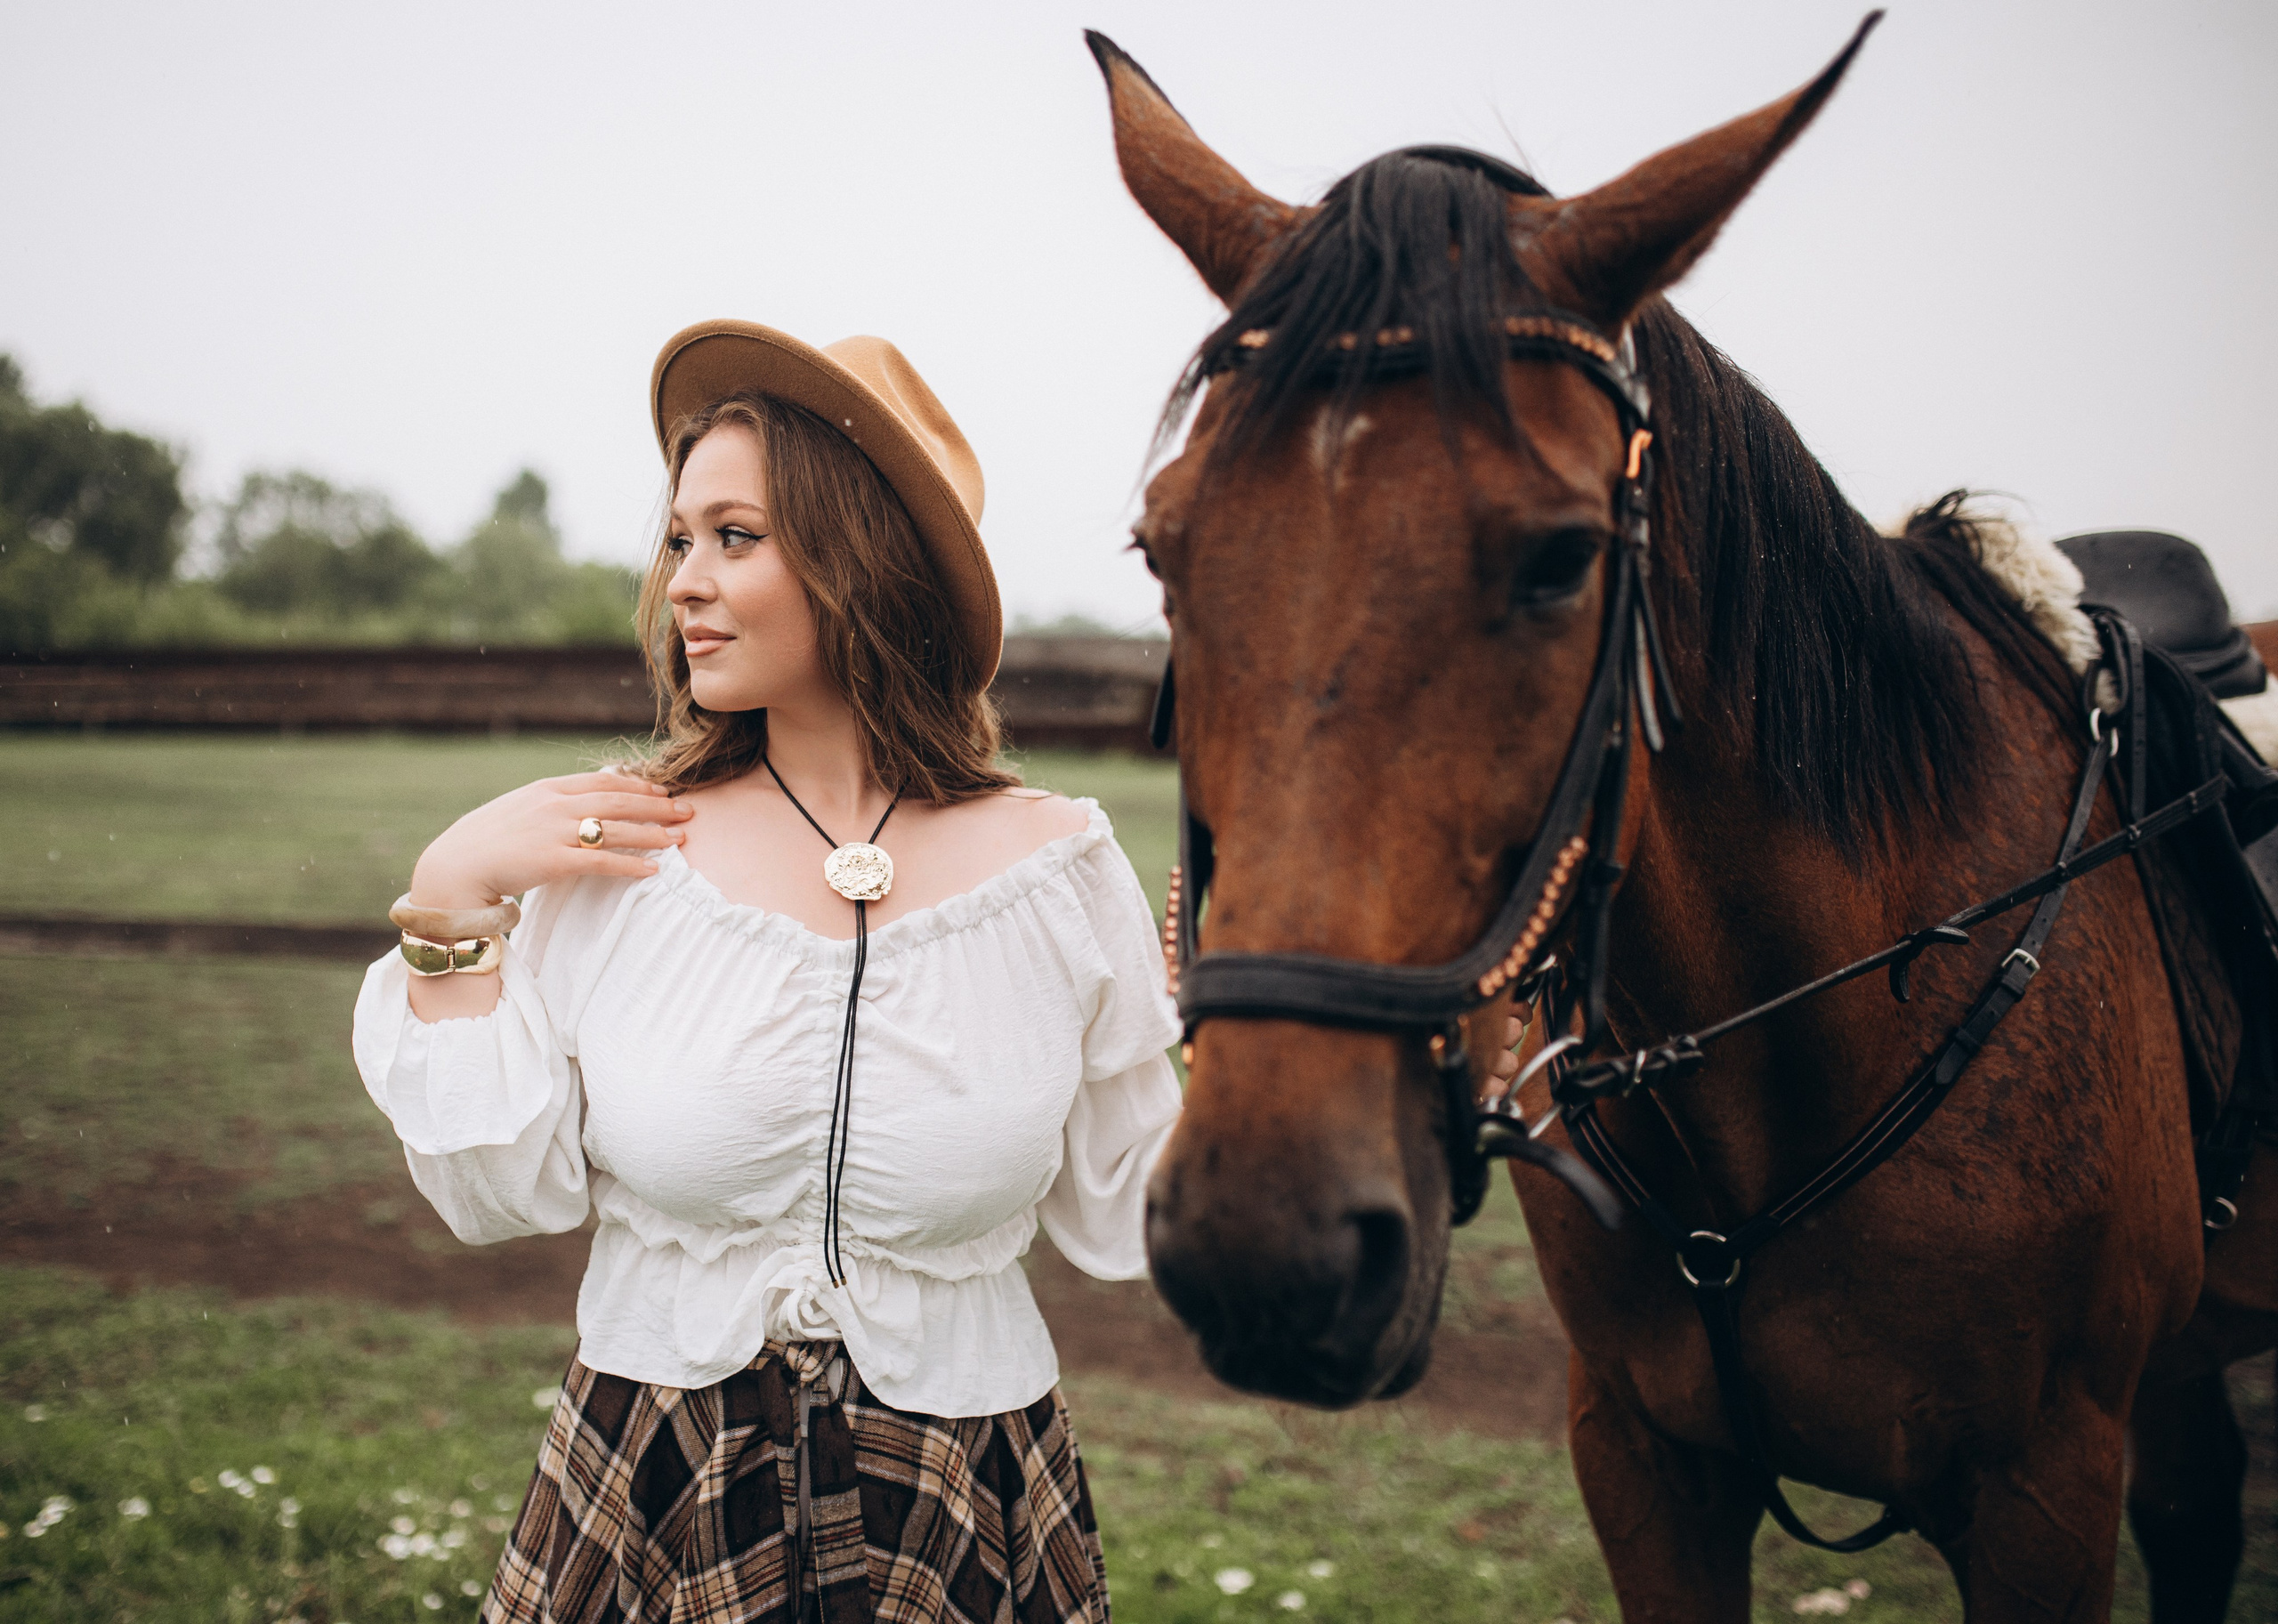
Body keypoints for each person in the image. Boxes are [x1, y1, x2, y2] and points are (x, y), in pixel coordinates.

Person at [351, 320, 1182, 1623]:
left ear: (862, 560)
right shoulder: (623, 851)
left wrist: (1238, 1032)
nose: (683, 578)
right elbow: (500, 1192)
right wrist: (452, 891)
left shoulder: (1060, 869)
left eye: (734, 536)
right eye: (679, 537)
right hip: (649, 1490)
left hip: (964, 1496)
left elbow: (1133, 1205)